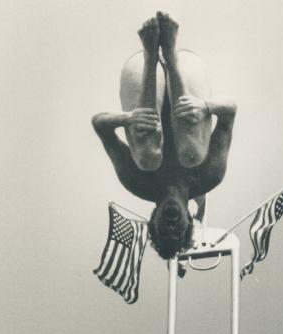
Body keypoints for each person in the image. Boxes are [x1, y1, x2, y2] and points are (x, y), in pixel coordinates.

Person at [92, 12, 237, 259]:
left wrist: (128, 118)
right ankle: (169, 56)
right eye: (177, 232)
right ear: (189, 221)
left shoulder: (136, 181)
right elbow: (230, 110)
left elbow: (100, 125)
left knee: (148, 160)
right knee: (191, 156)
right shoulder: (209, 175)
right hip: (189, 72)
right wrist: (205, 106)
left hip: (141, 71)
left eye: (164, 231)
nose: (171, 227)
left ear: (154, 220)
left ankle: (152, 57)